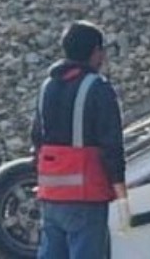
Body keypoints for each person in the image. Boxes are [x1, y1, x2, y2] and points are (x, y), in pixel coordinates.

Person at [30, 20, 131, 259]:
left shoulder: (48, 87)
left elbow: (36, 138)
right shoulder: (98, 87)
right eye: (102, 50)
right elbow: (111, 144)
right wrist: (121, 190)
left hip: (51, 194)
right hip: (84, 194)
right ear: (95, 51)